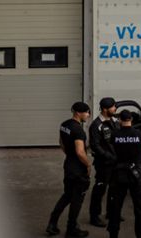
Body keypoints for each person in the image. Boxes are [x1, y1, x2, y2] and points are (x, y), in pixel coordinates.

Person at [46, 102, 92, 238]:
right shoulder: (78, 130)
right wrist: (88, 165)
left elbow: (61, 142)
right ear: (78, 113)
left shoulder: (64, 124)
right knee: (77, 199)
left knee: (67, 195)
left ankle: (52, 223)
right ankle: (72, 229)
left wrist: (68, 155)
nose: (88, 115)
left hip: (68, 165)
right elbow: (80, 151)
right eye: (87, 112)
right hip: (78, 169)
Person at [107, 110, 141, 238]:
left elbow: (112, 148)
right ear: (131, 119)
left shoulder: (115, 135)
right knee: (139, 208)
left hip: (119, 174)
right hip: (136, 174)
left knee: (116, 207)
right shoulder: (140, 134)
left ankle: (113, 234)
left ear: (120, 120)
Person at [89, 97, 119, 227]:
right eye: (113, 107)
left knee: (114, 188)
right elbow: (95, 145)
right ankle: (94, 216)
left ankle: (111, 212)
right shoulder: (96, 125)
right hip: (104, 164)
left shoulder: (114, 121)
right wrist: (108, 156)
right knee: (100, 189)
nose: (115, 108)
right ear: (105, 109)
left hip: (115, 162)